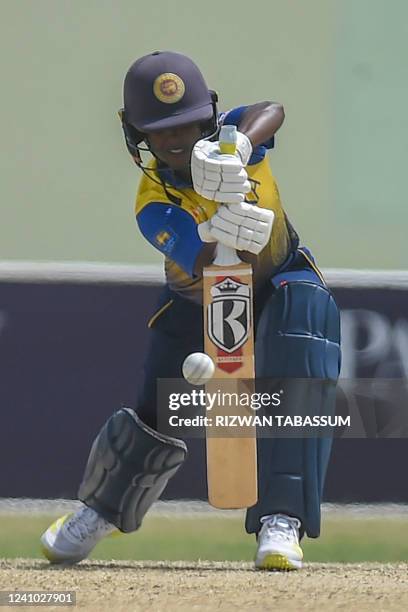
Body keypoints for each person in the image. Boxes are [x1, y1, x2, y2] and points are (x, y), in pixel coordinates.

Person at [40, 51, 341, 570]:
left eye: (186, 125)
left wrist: (239, 146)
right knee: (157, 408)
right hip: (198, 298)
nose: (176, 139)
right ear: (137, 136)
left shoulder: (231, 136)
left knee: (302, 347)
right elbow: (204, 265)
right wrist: (219, 235)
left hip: (280, 279)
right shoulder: (151, 201)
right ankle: (100, 511)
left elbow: (272, 109)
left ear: (208, 117)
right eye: (160, 131)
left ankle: (282, 521)